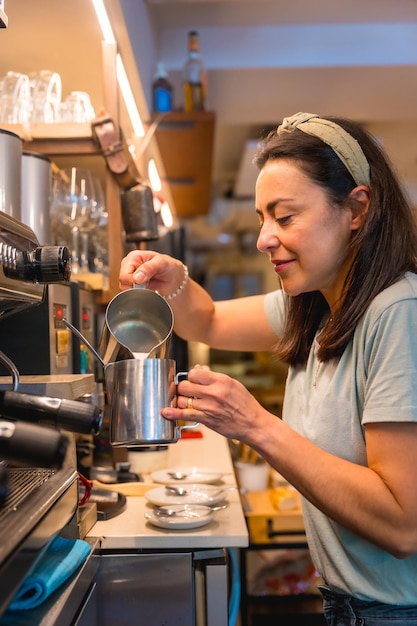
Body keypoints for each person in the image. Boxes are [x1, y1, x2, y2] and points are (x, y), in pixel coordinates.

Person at [119, 112, 417, 625]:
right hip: (351, 606)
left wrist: (255, 424)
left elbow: (402, 524)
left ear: (356, 209)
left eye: (284, 216)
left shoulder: (396, 311)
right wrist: (174, 279)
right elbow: (208, 320)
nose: (264, 237)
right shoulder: (319, 307)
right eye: (262, 218)